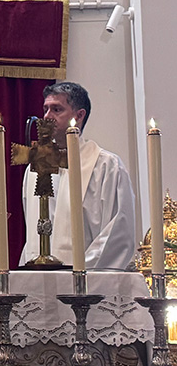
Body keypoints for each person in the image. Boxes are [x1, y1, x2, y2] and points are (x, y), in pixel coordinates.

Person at [18, 82, 136, 269]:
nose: (47, 117)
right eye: (45, 109)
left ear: (79, 115)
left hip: (86, 283)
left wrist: (76, 271)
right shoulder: (35, 166)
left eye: (57, 109)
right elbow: (33, 231)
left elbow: (117, 232)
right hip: (38, 280)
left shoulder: (105, 166)